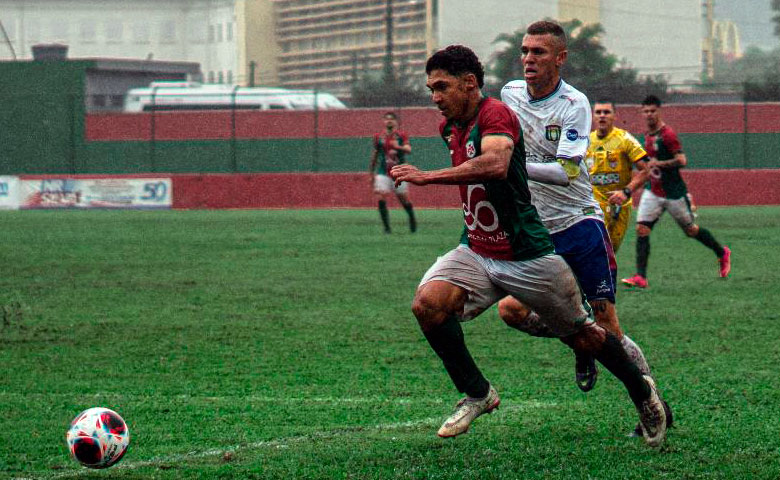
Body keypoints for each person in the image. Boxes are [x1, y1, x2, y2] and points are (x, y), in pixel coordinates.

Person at [390, 44, 667, 447]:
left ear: (470, 83)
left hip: (525, 252)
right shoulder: (450, 126)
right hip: (478, 248)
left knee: (586, 335)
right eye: (430, 88)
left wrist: (426, 177)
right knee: (428, 305)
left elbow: (497, 164)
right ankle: (478, 393)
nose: (434, 97)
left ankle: (644, 395)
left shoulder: (496, 115)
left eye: (441, 87)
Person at [498, 21, 670, 437]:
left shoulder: (575, 104)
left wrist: (514, 168)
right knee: (511, 311)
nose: (528, 59)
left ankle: (652, 404)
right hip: (536, 228)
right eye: (524, 51)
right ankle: (580, 341)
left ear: (560, 58)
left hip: (579, 223)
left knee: (607, 322)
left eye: (538, 52)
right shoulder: (509, 94)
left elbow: (567, 170)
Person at [621, 95, 731, 288]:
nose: (649, 114)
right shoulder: (647, 136)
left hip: (673, 193)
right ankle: (640, 277)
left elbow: (682, 160)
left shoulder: (668, 135)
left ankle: (722, 253)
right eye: (645, 111)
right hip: (653, 191)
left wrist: (660, 163)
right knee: (642, 229)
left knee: (691, 230)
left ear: (659, 111)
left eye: (652, 111)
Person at [585, 100, 650, 253]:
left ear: (614, 116)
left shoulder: (625, 139)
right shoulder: (585, 141)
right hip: (593, 204)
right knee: (595, 249)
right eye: (598, 112)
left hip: (620, 205)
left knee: (611, 252)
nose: (602, 116)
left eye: (606, 112)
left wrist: (626, 192)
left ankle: (604, 277)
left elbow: (646, 169)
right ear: (593, 116)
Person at [369, 112, 417, 233]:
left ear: (396, 122)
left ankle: (412, 219)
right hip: (383, 172)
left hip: (399, 172)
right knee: (380, 197)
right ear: (383, 121)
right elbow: (375, 154)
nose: (389, 121)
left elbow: (408, 149)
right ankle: (387, 228)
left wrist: (397, 147)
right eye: (387, 119)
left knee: (403, 199)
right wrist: (371, 172)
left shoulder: (401, 135)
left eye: (391, 119)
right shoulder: (378, 136)